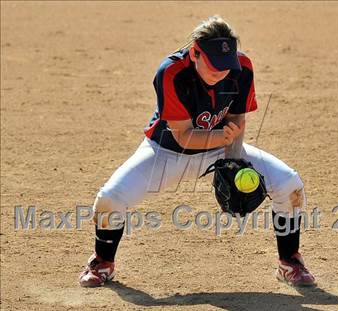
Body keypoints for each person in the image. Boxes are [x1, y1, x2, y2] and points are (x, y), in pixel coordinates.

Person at [79, 15, 315, 288]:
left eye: (226, 66)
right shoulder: (171, 72)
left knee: (289, 184)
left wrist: (234, 162)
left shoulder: (241, 68)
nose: (222, 72)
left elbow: (238, 119)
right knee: (110, 198)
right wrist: (222, 137)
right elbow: (184, 136)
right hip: (164, 153)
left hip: (219, 149)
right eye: (214, 66)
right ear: (195, 53)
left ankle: (290, 262)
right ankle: (102, 261)